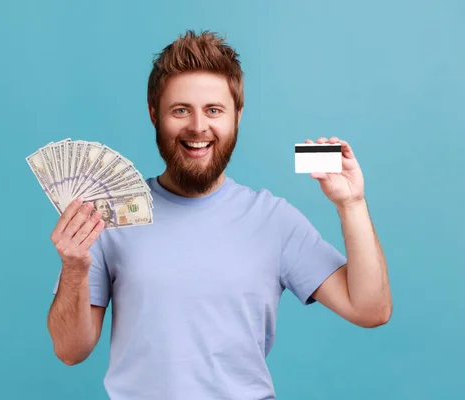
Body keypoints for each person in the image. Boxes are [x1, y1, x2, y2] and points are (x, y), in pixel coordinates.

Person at [46, 30, 392, 400]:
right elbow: (70, 351)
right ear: (153, 115)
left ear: (237, 116)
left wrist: (351, 204)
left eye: (214, 110)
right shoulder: (109, 215)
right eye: (181, 110)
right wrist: (74, 268)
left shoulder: (274, 220)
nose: (198, 127)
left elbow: (370, 309)